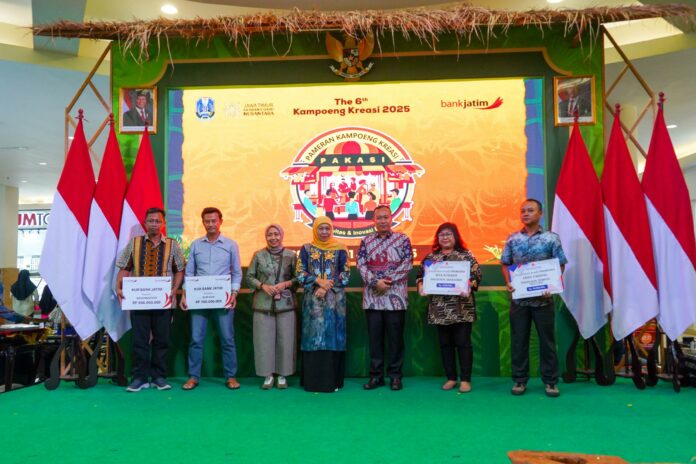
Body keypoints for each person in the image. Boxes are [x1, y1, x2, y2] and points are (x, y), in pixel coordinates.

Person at [500, 199, 567, 398]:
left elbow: (560, 264)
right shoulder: (513, 239)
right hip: (519, 301)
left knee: (547, 342)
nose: (526, 214)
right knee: (519, 341)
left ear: (540, 214)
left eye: (530, 210)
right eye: (523, 211)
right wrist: (508, 282)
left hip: (543, 301)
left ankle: (551, 382)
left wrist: (552, 285)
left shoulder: (551, 238)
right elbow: (505, 264)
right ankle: (519, 380)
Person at [116, 207, 184, 392]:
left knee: (162, 340)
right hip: (139, 301)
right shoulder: (135, 243)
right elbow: (124, 267)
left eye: (158, 221)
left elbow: (179, 269)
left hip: (164, 301)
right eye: (151, 221)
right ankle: (139, 378)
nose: (154, 224)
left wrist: (175, 288)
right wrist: (118, 286)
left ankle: (159, 377)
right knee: (139, 340)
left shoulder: (172, 245)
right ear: (145, 223)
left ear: (163, 223)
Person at [179, 207, 243, 391]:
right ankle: (193, 377)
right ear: (203, 223)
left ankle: (230, 376)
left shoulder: (231, 245)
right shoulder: (196, 245)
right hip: (199, 299)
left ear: (220, 221)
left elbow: (237, 273)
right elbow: (189, 273)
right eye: (207, 221)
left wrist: (234, 293)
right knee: (196, 339)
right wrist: (184, 294)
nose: (211, 224)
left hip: (223, 299)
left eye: (214, 221)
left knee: (227, 339)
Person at [416, 223, 482, 393]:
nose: (445, 237)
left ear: (455, 237)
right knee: (445, 345)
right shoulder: (431, 258)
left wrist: (470, 284)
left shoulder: (466, 255)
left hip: (462, 308)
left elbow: (477, 274)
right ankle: (451, 378)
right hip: (439, 308)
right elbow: (420, 275)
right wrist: (421, 286)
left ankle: (465, 380)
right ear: (438, 238)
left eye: (448, 234)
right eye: (442, 234)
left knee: (463, 344)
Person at [357, 205, 413, 390]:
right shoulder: (366, 241)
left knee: (396, 339)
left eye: (385, 217)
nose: (382, 221)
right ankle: (376, 377)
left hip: (395, 297)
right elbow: (361, 265)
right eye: (379, 218)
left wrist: (387, 281)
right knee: (375, 340)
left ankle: (395, 377)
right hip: (373, 298)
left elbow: (407, 263)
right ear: (373, 220)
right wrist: (375, 282)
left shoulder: (402, 239)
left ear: (391, 219)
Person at [297, 216, 350, 392]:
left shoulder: (340, 248)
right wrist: (318, 282)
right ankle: (313, 382)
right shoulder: (306, 249)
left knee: (333, 337)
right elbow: (300, 273)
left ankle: (333, 381)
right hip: (312, 302)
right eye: (321, 228)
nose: (324, 232)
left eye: (328, 228)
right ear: (315, 229)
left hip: (335, 303)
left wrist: (326, 287)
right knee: (314, 337)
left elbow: (345, 274)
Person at [246, 224, 298, 389]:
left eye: (276, 234)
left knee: (286, 339)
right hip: (263, 303)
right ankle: (267, 375)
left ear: (282, 235)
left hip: (286, 304)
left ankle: (283, 375)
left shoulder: (291, 255)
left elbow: (299, 278)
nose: (273, 237)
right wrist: (262, 286)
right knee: (263, 340)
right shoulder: (258, 255)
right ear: (265, 237)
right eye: (270, 235)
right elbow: (249, 277)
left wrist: (286, 284)